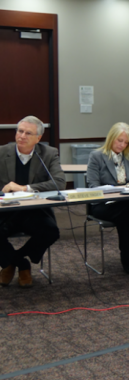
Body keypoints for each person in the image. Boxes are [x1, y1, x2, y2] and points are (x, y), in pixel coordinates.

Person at [0, 116, 64, 288]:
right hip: (7, 212)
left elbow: (59, 182)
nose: (22, 136)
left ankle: (12, 262)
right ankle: (21, 264)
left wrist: (24, 188)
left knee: (51, 231)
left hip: (34, 211)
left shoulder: (48, 154)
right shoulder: (2, 152)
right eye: (20, 131)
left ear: (38, 138)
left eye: (28, 133)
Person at [86, 122, 129, 275]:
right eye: (119, 140)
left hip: (128, 205)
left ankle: (127, 257)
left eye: (126, 142)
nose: (122, 145)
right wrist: (114, 191)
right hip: (104, 204)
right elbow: (92, 186)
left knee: (126, 212)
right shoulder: (96, 156)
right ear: (111, 138)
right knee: (128, 210)